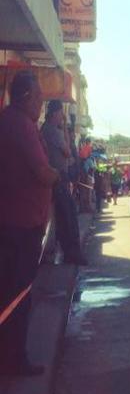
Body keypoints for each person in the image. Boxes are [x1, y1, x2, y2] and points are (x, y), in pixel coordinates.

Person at [0, 71, 59, 376]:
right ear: (25, 97)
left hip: (16, 222)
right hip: (20, 226)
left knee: (12, 291)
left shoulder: (11, 122)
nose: (41, 103)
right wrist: (59, 176)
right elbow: (42, 171)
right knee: (19, 294)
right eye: (38, 97)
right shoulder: (21, 125)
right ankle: (15, 359)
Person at [40, 100, 85, 265]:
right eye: (61, 113)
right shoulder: (53, 131)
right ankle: (73, 253)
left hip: (54, 177)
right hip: (59, 177)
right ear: (54, 113)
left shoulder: (45, 129)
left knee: (61, 217)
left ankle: (66, 251)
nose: (62, 117)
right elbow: (67, 151)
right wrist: (65, 126)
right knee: (69, 216)